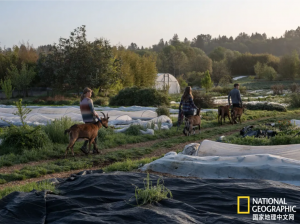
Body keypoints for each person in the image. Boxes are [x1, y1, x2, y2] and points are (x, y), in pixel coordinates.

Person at [80, 87, 101, 154]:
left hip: (85, 119)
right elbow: (92, 111)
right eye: (90, 92)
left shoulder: (81, 101)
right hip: (91, 119)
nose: (91, 94)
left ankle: (84, 146)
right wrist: (97, 115)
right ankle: (95, 149)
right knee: (95, 134)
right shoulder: (89, 100)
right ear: (87, 93)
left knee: (89, 135)